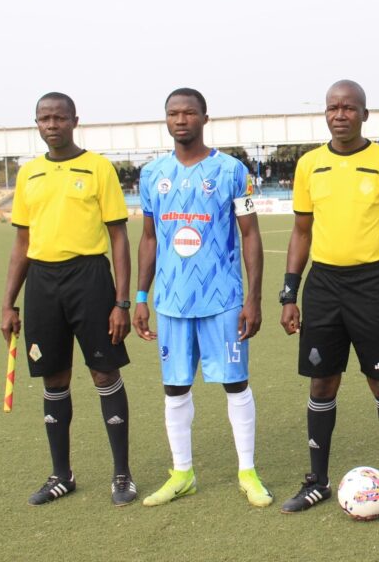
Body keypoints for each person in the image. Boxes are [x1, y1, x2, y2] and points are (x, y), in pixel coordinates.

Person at [279, 80, 379, 516]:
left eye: (348, 108)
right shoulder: (309, 165)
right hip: (323, 285)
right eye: (332, 108)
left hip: (371, 284)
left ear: (364, 114)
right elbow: (301, 232)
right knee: (321, 382)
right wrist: (289, 292)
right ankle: (317, 481)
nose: (339, 115)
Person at [133, 88, 271, 508]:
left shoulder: (232, 171)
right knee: (175, 388)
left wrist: (253, 298)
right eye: (173, 113)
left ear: (204, 118)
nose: (181, 120)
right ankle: (182, 473)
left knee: (235, 382)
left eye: (189, 113)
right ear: (166, 119)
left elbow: (250, 234)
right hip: (171, 301)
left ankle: (247, 471)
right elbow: (148, 238)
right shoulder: (152, 174)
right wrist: (141, 296)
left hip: (223, 299)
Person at [1, 92, 136, 506]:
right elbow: (22, 242)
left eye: (59, 117)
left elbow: (118, 237)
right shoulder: (29, 174)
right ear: (36, 124)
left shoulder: (97, 167)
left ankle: (122, 475)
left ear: (75, 121)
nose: (52, 124)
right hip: (42, 282)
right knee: (53, 377)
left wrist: (122, 302)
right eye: (44, 118)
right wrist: (8, 302)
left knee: (104, 374)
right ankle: (61, 475)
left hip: (89, 278)